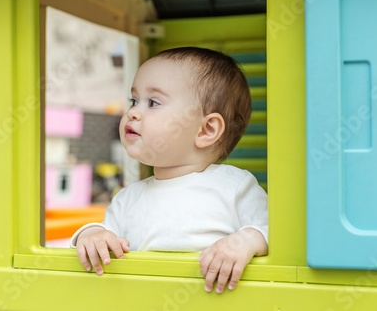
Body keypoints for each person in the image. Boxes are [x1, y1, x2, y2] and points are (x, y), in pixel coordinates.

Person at [71, 46, 268, 294]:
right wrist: (90, 234)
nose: (132, 112)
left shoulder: (235, 186)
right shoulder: (127, 197)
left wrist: (244, 242)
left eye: (153, 102)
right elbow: (105, 240)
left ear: (206, 130)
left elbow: (272, 231)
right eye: (134, 100)